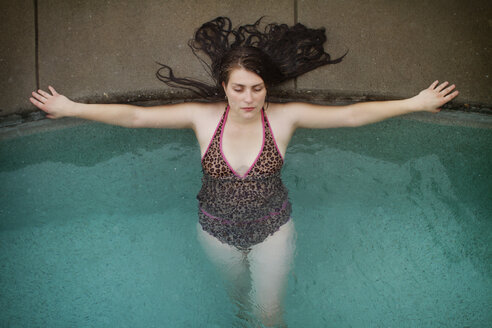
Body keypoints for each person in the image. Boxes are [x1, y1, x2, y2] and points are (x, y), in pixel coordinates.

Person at [29, 17, 458, 328]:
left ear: (267, 87)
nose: (249, 98)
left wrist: (414, 103)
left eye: (257, 88)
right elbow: (137, 119)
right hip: (215, 231)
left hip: (273, 227)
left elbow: (350, 117)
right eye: (239, 88)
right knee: (240, 305)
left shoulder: (284, 120)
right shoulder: (202, 118)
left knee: (268, 314)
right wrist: (71, 108)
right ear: (223, 87)